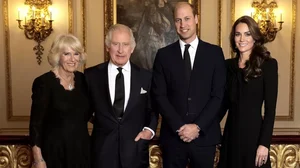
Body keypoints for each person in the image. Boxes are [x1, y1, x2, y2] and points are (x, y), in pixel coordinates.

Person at [151, 2, 226, 168]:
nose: (183, 24)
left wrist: (197, 127)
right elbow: (159, 96)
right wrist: (180, 127)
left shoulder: (214, 53)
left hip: (205, 138)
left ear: (196, 19)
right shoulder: (163, 55)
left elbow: (218, 96)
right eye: (178, 20)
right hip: (173, 138)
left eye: (187, 19)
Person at [84, 24, 158, 168]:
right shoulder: (91, 75)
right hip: (102, 152)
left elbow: (153, 109)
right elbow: (82, 111)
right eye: (115, 44)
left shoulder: (146, 77)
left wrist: (149, 131)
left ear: (132, 48)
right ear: (107, 47)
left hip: (135, 151)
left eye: (125, 44)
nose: (120, 50)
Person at [218, 16, 278, 168]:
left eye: (247, 34)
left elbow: (270, 110)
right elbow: (221, 105)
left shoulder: (268, 65)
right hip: (231, 138)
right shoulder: (227, 66)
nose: (242, 39)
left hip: (254, 139)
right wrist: (201, 127)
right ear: (234, 38)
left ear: (255, 37)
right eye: (238, 34)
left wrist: (264, 144)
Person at [29, 34, 90, 168]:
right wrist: (38, 160)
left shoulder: (84, 80)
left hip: (82, 153)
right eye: (67, 54)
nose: (72, 59)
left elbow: (91, 114)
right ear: (57, 56)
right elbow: (35, 125)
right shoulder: (44, 83)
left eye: (76, 54)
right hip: (53, 153)